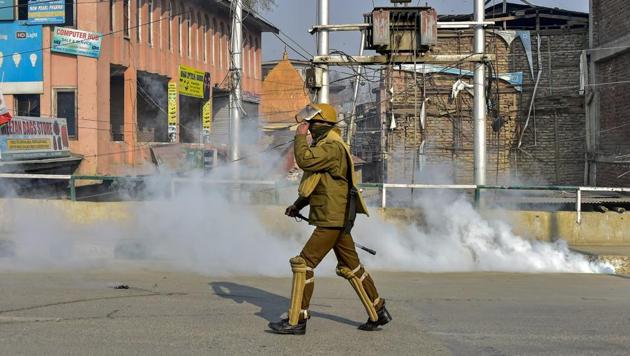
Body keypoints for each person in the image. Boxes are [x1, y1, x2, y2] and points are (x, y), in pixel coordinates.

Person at [268, 103, 391, 335]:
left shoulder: (332, 147)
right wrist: (297, 205)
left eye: (311, 124)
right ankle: (378, 311)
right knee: (351, 267)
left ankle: (297, 320)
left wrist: (300, 137)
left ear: (322, 124)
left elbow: (304, 160)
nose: (308, 128)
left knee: (302, 264)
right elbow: (318, 184)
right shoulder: (326, 145)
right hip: (335, 217)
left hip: (332, 219)